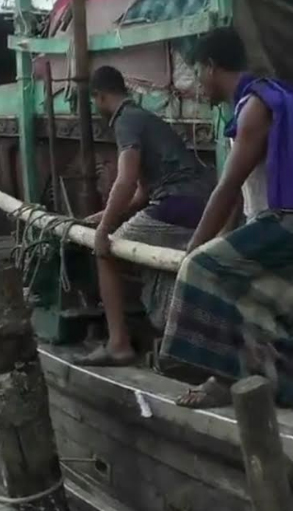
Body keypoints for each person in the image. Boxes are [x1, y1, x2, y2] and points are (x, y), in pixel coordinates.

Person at [158, 27, 293, 409]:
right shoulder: (257, 100)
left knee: (199, 270)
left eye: (196, 72)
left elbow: (227, 188)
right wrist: (219, 240)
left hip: (292, 224)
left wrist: (194, 250)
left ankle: (213, 376)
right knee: (259, 311)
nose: (195, 85)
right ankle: (283, 395)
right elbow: (241, 200)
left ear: (211, 67)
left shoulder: (255, 107)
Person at [74, 65, 215, 367]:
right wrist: (101, 217)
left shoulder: (124, 120)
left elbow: (125, 180)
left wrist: (104, 232)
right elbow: (140, 192)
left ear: (99, 97)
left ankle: (118, 344)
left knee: (106, 252)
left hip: (176, 205)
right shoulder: (144, 117)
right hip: (201, 205)